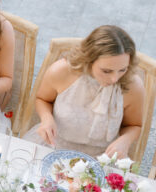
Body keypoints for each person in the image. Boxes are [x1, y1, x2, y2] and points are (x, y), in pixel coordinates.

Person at [24, 25, 144, 158]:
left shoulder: (133, 86)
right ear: (89, 60)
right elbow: (42, 99)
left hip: (103, 158)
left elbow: (134, 125)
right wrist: (46, 118)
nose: (115, 78)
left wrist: (125, 140)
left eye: (122, 70)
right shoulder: (62, 71)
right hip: (53, 145)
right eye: (106, 71)